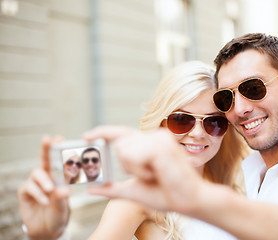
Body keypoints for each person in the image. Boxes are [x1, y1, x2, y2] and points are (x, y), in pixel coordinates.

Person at [84, 33, 278, 240]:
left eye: (254, 88)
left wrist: (200, 198)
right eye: (181, 120)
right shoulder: (250, 176)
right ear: (161, 122)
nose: (241, 108)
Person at [17, 61, 249, 240]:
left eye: (214, 122)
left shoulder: (237, 188)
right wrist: (45, 236)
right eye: (181, 120)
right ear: (160, 123)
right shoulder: (136, 197)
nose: (198, 133)